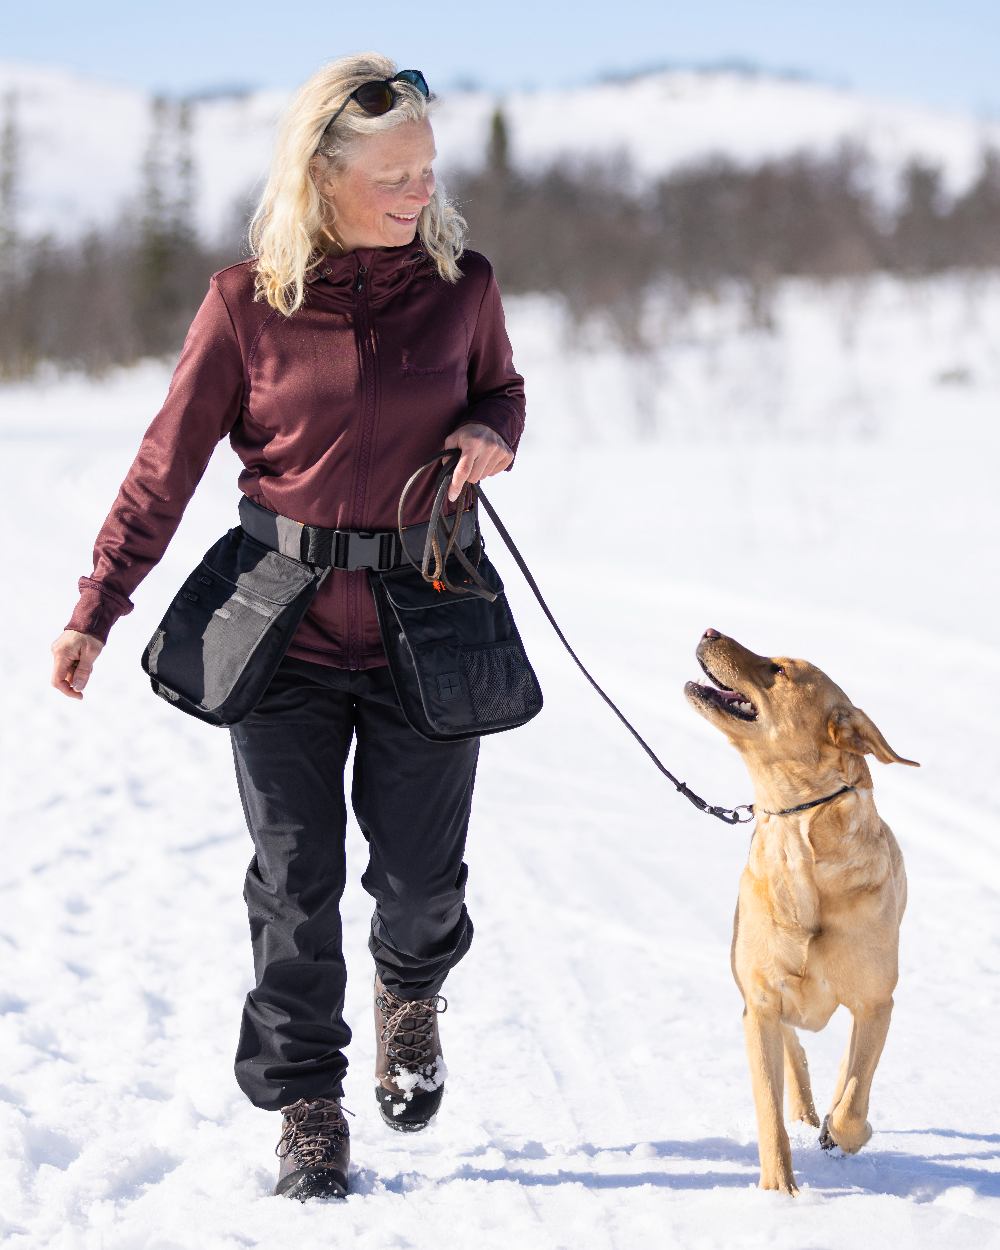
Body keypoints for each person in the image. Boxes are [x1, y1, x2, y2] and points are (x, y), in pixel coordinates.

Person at [49, 53, 525, 1201]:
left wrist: (489, 434)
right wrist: (96, 607)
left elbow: (500, 389)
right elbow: (163, 466)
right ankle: (309, 1103)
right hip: (282, 624)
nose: (418, 194)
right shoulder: (245, 302)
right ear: (320, 173)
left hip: (431, 610)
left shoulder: (461, 286)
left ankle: (409, 992)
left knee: (416, 883)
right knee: (294, 876)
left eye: (426, 170)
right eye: (392, 176)